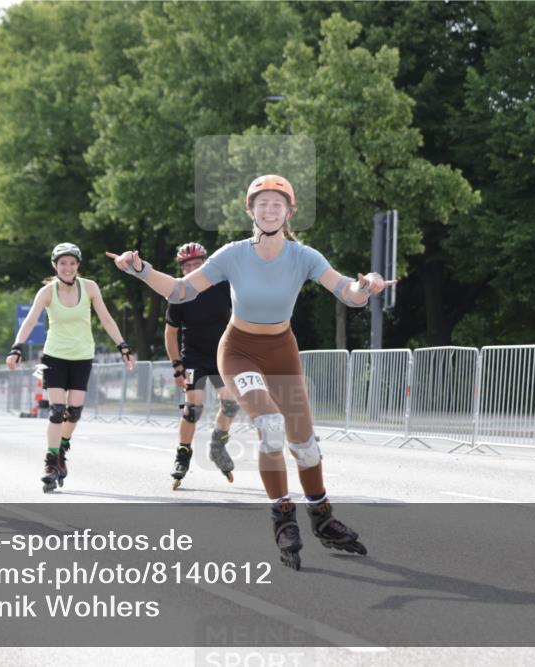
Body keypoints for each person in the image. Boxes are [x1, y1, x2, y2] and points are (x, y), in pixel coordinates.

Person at [108, 175, 393, 569]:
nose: (270, 209)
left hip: (282, 351)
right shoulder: (232, 254)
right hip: (239, 350)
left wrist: (367, 287)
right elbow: (179, 291)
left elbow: (347, 292)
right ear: (250, 210)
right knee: (271, 426)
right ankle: (282, 517)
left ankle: (323, 517)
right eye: (262, 203)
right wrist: (139, 268)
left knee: (306, 443)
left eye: (278, 204)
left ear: (289, 212)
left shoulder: (304, 256)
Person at [7, 242, 136, 493]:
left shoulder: (89, 287)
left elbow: (106, 318)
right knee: (57, 410)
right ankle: (50, 462)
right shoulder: (47, 292)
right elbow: (31, 320)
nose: (68, 268)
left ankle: (62, 446)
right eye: (63, 263)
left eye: (72, 263)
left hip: (82, 356)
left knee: (73, 412)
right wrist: (17, 347)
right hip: (54, 356)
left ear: (78, 265)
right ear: (55, 266)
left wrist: (123, 346)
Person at [164, 241, 241, 489]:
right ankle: (182, 455)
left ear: (206, 264)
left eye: (198, 263)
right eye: (188, 265)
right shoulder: (179, 292)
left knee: (230, 404)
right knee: (193, 408)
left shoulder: (223, 286)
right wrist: (177, 365)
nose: (193, 269)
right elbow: (170, 333)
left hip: (222, 355)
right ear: (183, 269)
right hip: (194, 357)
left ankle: (218, 446)